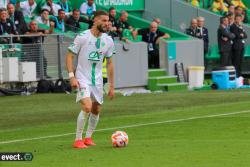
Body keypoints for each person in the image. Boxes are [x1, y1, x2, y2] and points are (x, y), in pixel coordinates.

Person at [66, 10, 115, 149]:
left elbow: (110, 63)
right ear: (95, 21)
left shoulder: (108, 40)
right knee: (87, 106)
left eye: (108, 21)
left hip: (98, 80)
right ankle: (77, 140)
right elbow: (69, 56)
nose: (107, 23)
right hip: (82, 78)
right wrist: (72, 77)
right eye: (104, 20)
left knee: (96, 109)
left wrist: (111, 85)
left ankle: (88, 137)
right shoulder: (82, 37)